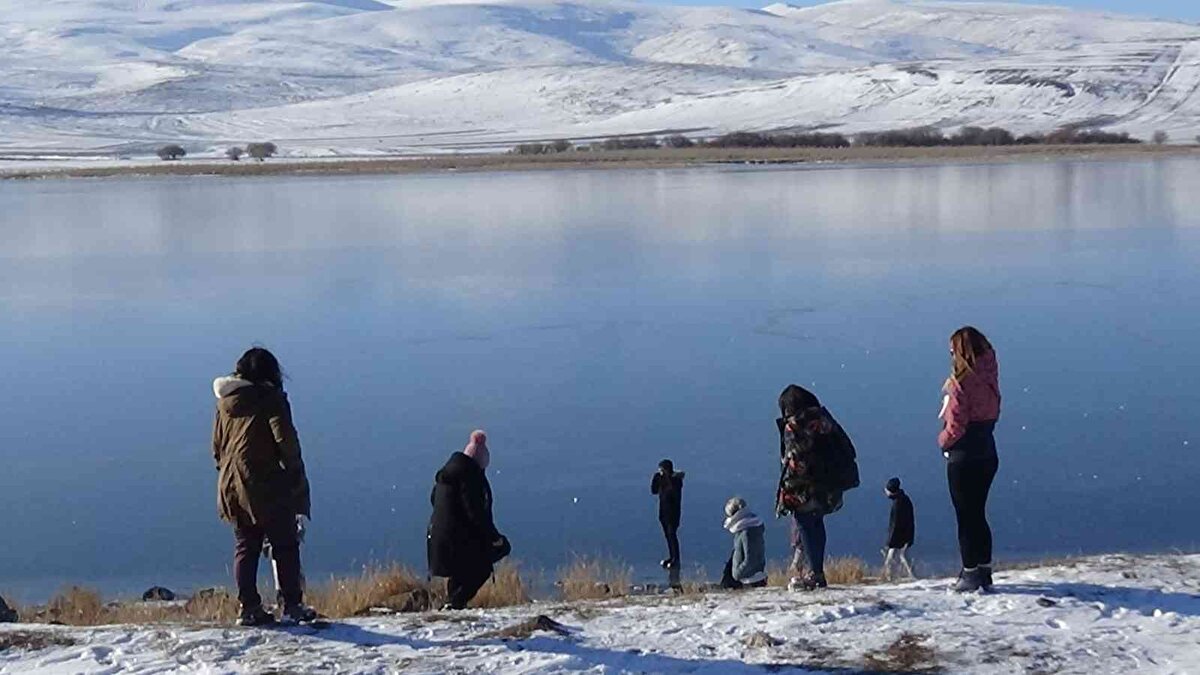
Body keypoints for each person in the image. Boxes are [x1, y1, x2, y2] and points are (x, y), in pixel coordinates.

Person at [212, 347, 316, 626]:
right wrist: (294, 477)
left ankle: (248, 607)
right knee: (285, 543)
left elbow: (217, 447)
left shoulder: (225, 404)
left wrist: (230, 473)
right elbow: (286, 442)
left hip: (231, 484)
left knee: (246, 545)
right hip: (265, 482)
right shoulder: (271, 400)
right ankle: (292, 605)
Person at [776, 384, 859, 591]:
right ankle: (817, 571)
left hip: (805, 486)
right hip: (829, 482)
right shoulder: (823, 418)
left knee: (804, 524)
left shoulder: (794, 425)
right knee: (817, 523)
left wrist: (788, 488)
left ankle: (814, 572)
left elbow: (795, 460)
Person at [939, 326, 1001, 593]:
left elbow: (956, 425)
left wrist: (943, 441)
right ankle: (984, 570)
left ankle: (970, 572)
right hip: (987, 450)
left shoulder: (960, 384)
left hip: (964, 456)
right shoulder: (990, 378)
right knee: (979, 514)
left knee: (965, 517)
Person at [428, 430, 510, 610]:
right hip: (457, 540)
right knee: (483, 565)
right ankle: (455, 603)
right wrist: (494, 538)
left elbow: (434, 500)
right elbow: (476, 514)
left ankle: (453, 602)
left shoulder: (446, 475)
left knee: (462, 570)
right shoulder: (470, 478)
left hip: (438, 538)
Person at [720, 498, 767, 590]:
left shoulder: (747, 532)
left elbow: (750, 558)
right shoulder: (748, 528)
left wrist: (737, 574)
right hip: (751, 577)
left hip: (749, 580)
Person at [650, 459, 684, 571]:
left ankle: (676, 559)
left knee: (672, 535)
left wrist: (667, 478)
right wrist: (656, 479)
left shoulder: (676, 481)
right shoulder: (662, 480)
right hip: (663, 513)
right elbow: (654, 491)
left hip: (673, 514)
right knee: (667, 536)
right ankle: (671, 556)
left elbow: (671, 491)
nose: (660, 472)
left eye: (662, 470)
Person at [882, 477, 916, 580]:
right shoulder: (904, 499)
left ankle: (889, 578)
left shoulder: (897, 503)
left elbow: (895, 525)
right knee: (903, 556)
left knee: (891, 558)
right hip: (906, 535)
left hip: (899, 537)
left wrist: (890, 542)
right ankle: (913, 576)